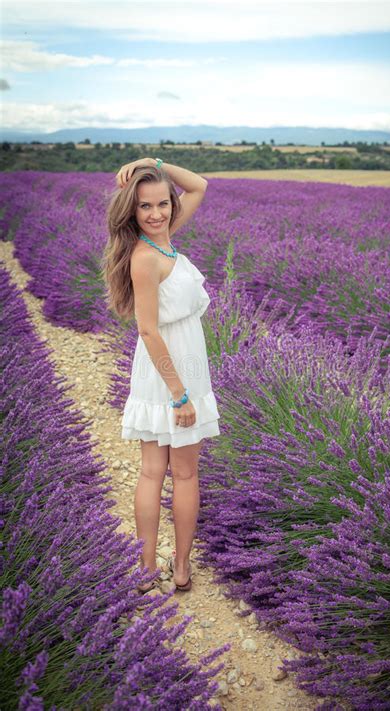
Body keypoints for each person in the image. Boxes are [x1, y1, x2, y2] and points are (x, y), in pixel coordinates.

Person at [101, 157, 221, 594]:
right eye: (144, 207)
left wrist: (153, 163)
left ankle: (181, 566)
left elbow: (201, 184)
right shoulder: (146, 258)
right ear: (131, 213)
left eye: (161, 204)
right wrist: (179, 394)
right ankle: (148, 567)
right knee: (159, 472)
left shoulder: (166, 240)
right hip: (167, 371)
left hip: (184, 365)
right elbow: (148, 329)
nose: (155, 214)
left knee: (184, 474)